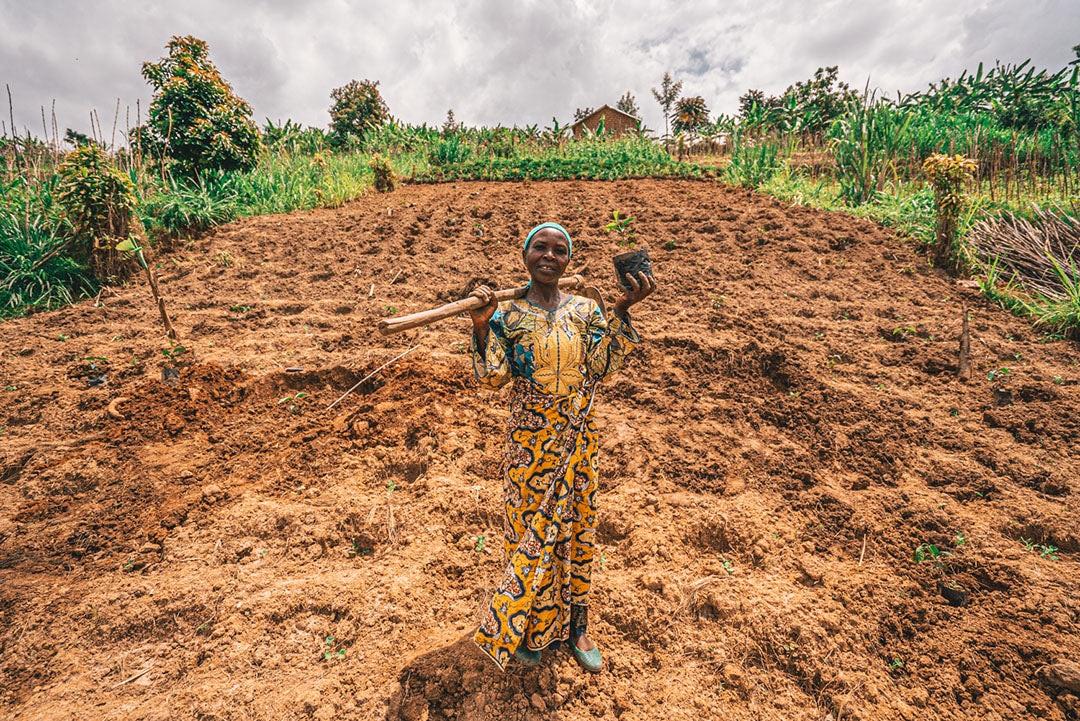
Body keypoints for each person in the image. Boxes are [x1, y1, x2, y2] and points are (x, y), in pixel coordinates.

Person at [467, 221, 656, 673]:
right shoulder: (506, 317)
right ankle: (532, 629)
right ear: (525, 255)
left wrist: (621, 309)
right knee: (528, 533)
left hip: (577, 440)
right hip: (529, 444)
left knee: (576, 529)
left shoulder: (587, 312)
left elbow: (603, 369)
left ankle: (577, 628)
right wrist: (479, 326)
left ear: (568, 260)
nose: (549, 256)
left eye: (559, 250)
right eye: (540, 248)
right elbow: (492, 377)